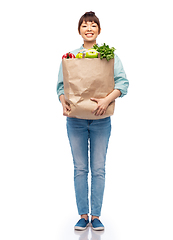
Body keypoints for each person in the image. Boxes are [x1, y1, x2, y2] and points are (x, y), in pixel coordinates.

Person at [57, 11, 129, 231]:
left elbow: (123, 84)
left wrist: (106, 100)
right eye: (85, 25)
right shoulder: (70, 57)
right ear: (79, 30)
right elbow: (61, 87)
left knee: (98, 168)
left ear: (99, 30)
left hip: (101, 119)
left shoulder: (109, 56)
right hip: (76, 120)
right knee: (80, 168)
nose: (89, 29)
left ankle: (96, 216)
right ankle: (83, 215)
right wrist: (63, 102)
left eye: (93, 25)